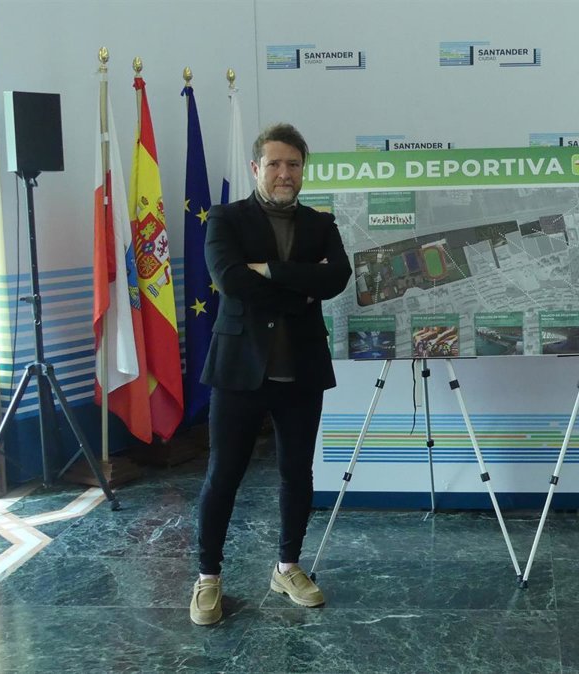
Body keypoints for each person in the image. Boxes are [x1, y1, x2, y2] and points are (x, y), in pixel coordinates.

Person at [190, 123, 351, 625]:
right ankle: (208, 577)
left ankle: (288, 567)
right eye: (275, 164)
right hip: (239, 369)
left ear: (303, 169)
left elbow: (337, 277)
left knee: (296, 474)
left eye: (293, 164)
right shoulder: (226, 218)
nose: (285, 173)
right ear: (256, 168)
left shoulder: (321, 224)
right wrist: (301, 289)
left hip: (301, 371)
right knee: (223, 475)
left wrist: (270, 269)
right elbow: (229, 280)